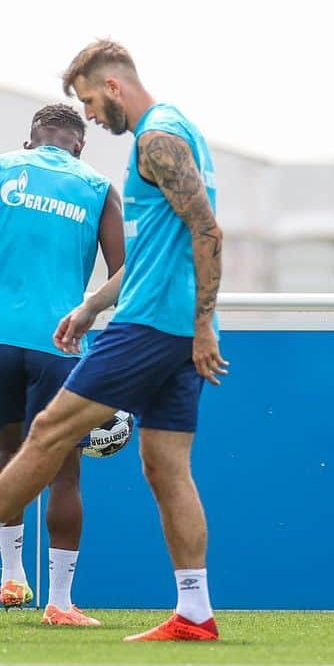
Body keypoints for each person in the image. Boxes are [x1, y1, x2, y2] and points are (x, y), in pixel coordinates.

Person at [0, 40, 227, 641]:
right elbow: (155, 252)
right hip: (171, 325)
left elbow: (207, 228)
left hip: (152, 326)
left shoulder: (156, 140)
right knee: (165, 467)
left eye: (91, 103)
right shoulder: (181, 131)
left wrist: (202, 325)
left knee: (47, 434)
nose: (92, 117)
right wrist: (90, 305)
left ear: (114, 86)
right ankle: (195, 613)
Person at [0, 104, 124, 625]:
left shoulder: (5, 168)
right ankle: (60, 603)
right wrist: (88, 309)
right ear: (80, 146)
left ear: (31, 143)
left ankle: (10, 577)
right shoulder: (97, 187)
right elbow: (125, 276)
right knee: (63, 470)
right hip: (62, 343)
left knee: (8, 456)